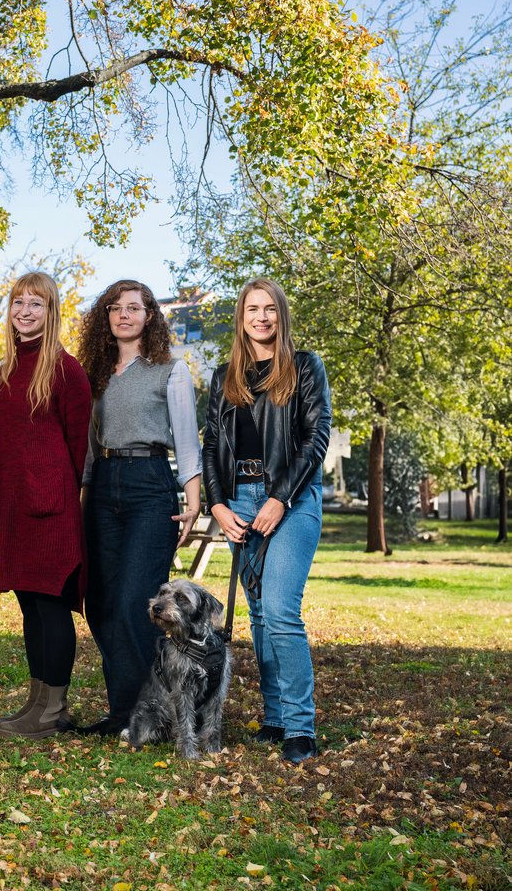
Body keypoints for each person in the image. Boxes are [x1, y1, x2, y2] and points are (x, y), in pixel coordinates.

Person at [202, 278, 331, 765]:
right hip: (239, 502)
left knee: (279, 611)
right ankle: (274, 718)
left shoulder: (304, 367)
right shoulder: (224, 377)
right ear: (241, 317)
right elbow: (212, 446)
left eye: (270, 309)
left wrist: (280, 498)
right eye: (252, 309)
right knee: (257, 616)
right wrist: (218, 505)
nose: (261, 317)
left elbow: (314, 440)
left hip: (293, 499)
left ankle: (301, 727)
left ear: (282, 315)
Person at [74, 280, 202, 736]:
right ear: (105, 316)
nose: (124, 315)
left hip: (150, 485)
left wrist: (193, 499)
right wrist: (83, 498)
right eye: (116, 307)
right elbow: (89, 448)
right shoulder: (95, 374)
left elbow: (187, 440)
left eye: (134, 307)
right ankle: (122, 712)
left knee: (134, 602)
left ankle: (149, 716)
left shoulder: (170, 369)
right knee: (101, 603)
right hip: (103, 488)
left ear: (150, 315)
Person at [0, 271, 92, 739]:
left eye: (36, 305)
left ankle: (54, 710)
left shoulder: (67, 371)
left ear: (51, 313)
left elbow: (79, 447)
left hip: (51, 509)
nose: (25, 312)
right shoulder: (4, 371)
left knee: (50, 606)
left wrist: (60, 496)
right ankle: (36, 701)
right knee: (29, 605)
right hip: (12, 507)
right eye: (18, 303)